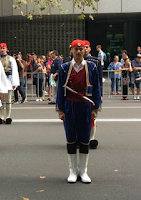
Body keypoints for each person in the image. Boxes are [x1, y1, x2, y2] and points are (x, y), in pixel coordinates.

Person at [56, 39, 101, 184]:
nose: (79, 51)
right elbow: (59, 91)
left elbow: (96, 89)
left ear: (85, 50)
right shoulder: (64, 68)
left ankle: (83, 171)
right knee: (70, 138)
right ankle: (72, 171)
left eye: (81, 49)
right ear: (71, 50)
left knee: (85, 138)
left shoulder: (92, 67)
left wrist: (96, 108)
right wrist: (60, 110)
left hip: (86, 106)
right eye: (76, 49)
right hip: (70, 106)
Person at [83, 40, 102, 149]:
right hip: (81, 93)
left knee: (93, 116)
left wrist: (100, 94)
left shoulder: (96, 61)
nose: (84, 49)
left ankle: (91, 139)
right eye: (83, 48)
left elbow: (99, 79)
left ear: (90, 48)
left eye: (86, 47)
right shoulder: (76, 61)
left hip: (92, 92)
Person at [0, 43, 19, 123]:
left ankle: (8, 116)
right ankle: (2, 116)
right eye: (1, 48)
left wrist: (14, 82)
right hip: (0, 80)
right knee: (1, 99)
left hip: (8, 79)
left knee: (8, 99)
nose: (2, 50)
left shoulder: (10, 59)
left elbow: (14, 71)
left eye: (3, 48)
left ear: (6, 49)